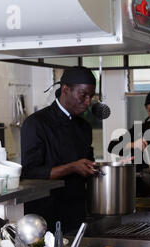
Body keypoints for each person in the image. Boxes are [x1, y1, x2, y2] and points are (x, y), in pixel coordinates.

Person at [21, 66, 99, 234]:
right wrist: (72, 167)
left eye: (91, 97)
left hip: (77, 214)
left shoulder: (84, 126)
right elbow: (30, 172)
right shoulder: (36, 123)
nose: (87, 102)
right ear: (65, 89)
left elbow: (87, 164)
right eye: (83, 95)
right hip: (45, 217)